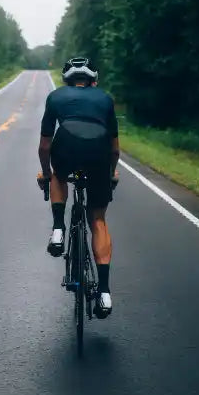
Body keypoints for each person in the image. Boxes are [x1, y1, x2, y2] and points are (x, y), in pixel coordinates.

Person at [37, 57, 120, 318]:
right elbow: (115, 149)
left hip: (67, 145)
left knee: (60, 177)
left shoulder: (55, 97)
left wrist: (48, 173)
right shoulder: (105, 99)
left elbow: (45, 146)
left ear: (67, 80)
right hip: (99, 152)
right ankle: (104, 293)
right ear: (93, 80)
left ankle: (59, 230)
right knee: (98, 219)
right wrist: (110, 173)